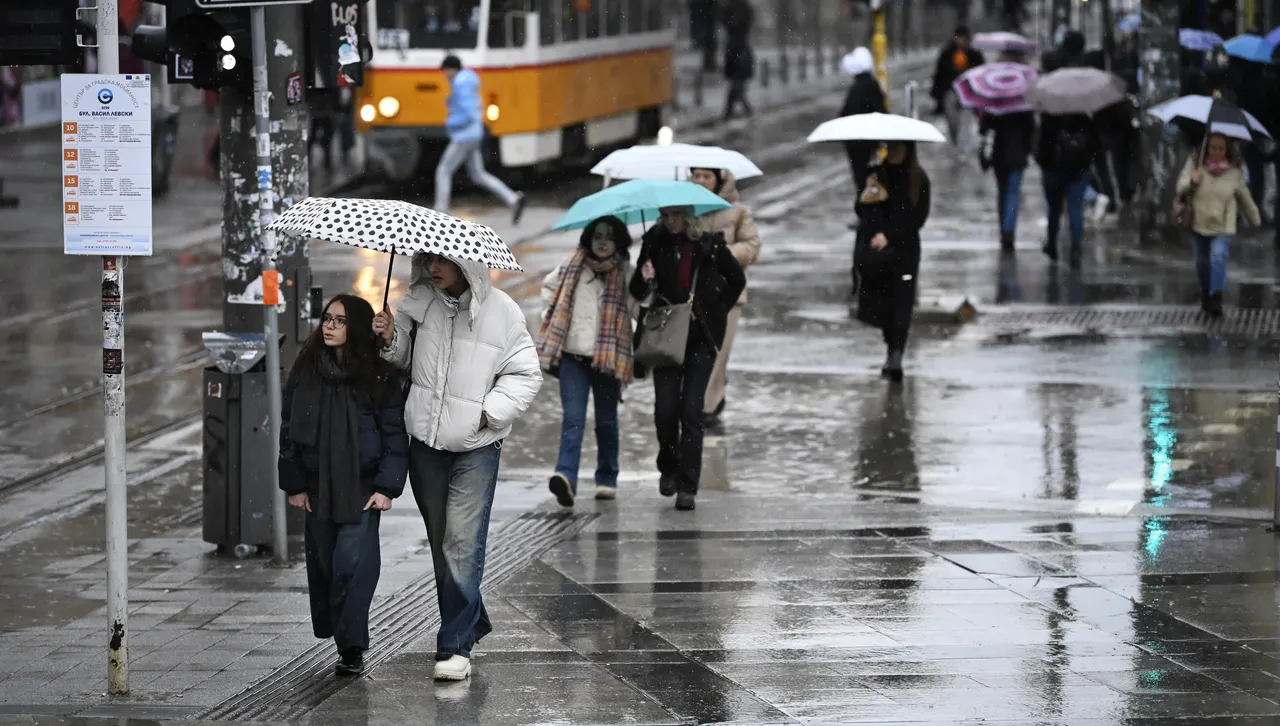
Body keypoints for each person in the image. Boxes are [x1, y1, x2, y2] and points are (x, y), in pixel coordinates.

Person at [372, 251, 542, 681]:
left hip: (476, 446)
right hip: (426, 444)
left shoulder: (501, 311)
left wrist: (489, 413)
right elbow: (405, 362)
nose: (433, 268)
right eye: (428, 260)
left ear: (468, 266)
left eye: (443, 262)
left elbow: (525, 373)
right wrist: (391, 338)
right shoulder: (420, 301)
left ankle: (455, 646)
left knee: (461, 542)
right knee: (442, 543)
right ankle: (472, 619)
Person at [279, 294, 409, 678]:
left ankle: (352, 645)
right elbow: (289, 430)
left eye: (340, 320)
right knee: (324, 565)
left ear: (357, 326)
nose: (330, 326)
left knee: (350, 565)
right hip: (317, 485)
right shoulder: (306, 371)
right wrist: (295, 484)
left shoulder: (379, 376)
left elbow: (394, 437)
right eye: (326, 319)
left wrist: (387, 487)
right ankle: (343, 636)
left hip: (362, 487)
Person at [630, 207, 746, 511]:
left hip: (701, 338)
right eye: (665, 215)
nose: (670, 221)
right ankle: (668, 465)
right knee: (665, 411)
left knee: (691, 410)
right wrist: (645, 277)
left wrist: (717, 310)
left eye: (676, 215)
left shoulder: (710, 244)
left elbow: (736, 279)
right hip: (667, 337)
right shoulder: (654, 242)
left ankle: (687, 486)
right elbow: (636, 289)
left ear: (689, 216)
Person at [538, 216, 636, 507]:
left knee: (606, 422)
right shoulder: (571, 267)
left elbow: (640, 308)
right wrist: (549, 317)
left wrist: (648, 281)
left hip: (608, 360)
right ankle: (565, 477)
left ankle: (607, 477)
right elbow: (548, 290)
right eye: (597, 236)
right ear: (588, 240)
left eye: (609, 237)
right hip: (572, 357)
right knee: (573, 419)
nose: (603, 242)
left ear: (619, 242)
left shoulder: (627, 273)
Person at [852, 141, 932, 382]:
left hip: (905, 252)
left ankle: (896, 354)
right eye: (891, 147)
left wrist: (890, 235)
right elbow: (861, 211)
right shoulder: (877, 175)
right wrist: (867, 191)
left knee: (902, 301)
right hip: (880, 253)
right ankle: (891, 347)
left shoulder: (919, 179)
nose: (895, 151)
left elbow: (918, 218)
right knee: (885, 303)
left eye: (899, 147)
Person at [689, 168, 760, 431]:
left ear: (719, 180)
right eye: (695, 175)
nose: (700, 181)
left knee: (718, 353)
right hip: (692, 294)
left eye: (706, 176)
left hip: (727, 295)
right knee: (694, 352)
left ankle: (707, 407)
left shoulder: (738, 212)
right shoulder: (686, 210)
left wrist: (721, 252)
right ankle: (697, 403)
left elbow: (752, 247)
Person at [1175, 133, 1261, 317]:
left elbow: (1245, 198)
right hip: (1199, 223)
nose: (1216, 152)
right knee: (1201, 263)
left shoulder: (1235, 172)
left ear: (1227, 151)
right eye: (1213, 147)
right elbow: (1180, 188)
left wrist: (1255, 220)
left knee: (1218, 256)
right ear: (1207, 148)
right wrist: (1192, 182)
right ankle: (1206, 291)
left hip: (1224, 225)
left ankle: (1216, 296)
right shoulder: (1195, 165)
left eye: (1220, 148)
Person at [436, 56, 526, 223]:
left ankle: (441, 210)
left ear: (452, 69)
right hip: (473, 134)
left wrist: (450, 123)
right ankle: (513, 199)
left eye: (445, 70)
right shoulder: (467, 82)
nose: (444, 74)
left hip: (464, 135)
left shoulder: (461, 84)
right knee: (478, 174)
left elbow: (468, 113)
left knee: (444, 170)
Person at [1037, 112, 1100, 269]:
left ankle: (1052, 244)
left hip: (1053, 171)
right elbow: (1095, 146)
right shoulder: (1084, 119)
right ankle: (1076, 248)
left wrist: (1045, 165)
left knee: (1054, 210)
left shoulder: (1049, 118)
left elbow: (1041, 148)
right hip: (1078, 172)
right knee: (1075, 209)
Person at [978, 108, 1036, 251]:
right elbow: (1031, 131)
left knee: (1003, 192)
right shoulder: (1024, 108)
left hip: (999, 156)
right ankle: (1009, 231)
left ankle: (1004, 229)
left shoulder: (993, 106)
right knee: (1012, 193)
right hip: (1018, 156)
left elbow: (983, 129)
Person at [841, 47, 888, 206]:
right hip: (869, 140)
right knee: (867, 176)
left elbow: (848, 113)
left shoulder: (859, 88)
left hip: (858, 141)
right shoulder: (872, 85)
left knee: (861, 177)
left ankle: (865, 211)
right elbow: (881, 110)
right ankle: (866, 210)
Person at [930, 27, 985, 151]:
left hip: (969, 92)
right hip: (950, 91)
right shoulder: (947, 53)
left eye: (963, 38)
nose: (961, 40)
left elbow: (980, 72)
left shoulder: (974, 54)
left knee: (966, 122)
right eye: (959, 37)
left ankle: (963, 149)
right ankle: (957, 144)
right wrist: (937, 93)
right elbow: (939, 74)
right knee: (953, 121)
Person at [721, 0, 755, 120]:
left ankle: (731, 111)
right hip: (738, 47)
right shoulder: (741, 7)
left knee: (736, 83)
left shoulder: (734, 7)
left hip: (737, 48)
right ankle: (738, 110)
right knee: (737, 83)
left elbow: (725, 21)